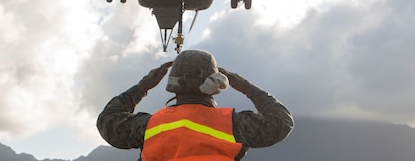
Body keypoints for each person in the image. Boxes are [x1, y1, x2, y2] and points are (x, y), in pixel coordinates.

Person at [97, 49, 293, 160]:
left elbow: (107, 121)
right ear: (217, 83)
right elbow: (282, 121)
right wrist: (245, 86)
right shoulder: (233, 125)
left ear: (173, 85)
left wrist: (142, 87)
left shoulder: (150, 126)